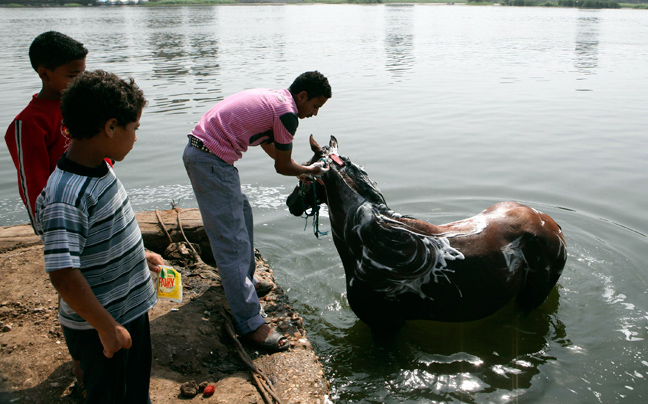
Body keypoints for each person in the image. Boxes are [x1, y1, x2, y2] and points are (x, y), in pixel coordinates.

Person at [35, 70, 163, 404]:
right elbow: (63, 273)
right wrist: (106, 327)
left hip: (128, 310)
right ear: (109, 127)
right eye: (133, 128)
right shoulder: (68, 195)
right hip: (102, 325)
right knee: (111, 395)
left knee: (134, 390)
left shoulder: (101, 168)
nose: (136, 137)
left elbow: (108, 230)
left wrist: (140, 254)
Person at [183, 71, 332, 352]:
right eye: (315, 106)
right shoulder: (288, 113)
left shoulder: (276, 100)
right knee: (233, 244)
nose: (313, 114)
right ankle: (250, 323)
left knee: (243, 212)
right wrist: (308, 170)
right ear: (302, 97)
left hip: (209, 156)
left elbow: (268, 144)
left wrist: (298, 170)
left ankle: (246, 282)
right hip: (211, 161)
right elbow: (282, 166)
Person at [4, 31, 88, 231]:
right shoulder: (29, 123)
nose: (80, 81)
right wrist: (46, 227)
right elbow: (33, 183)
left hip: (93, 202)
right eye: (73, 75)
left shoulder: (83, 106)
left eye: (82, 74)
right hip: (61, 214)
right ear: (44, 74)